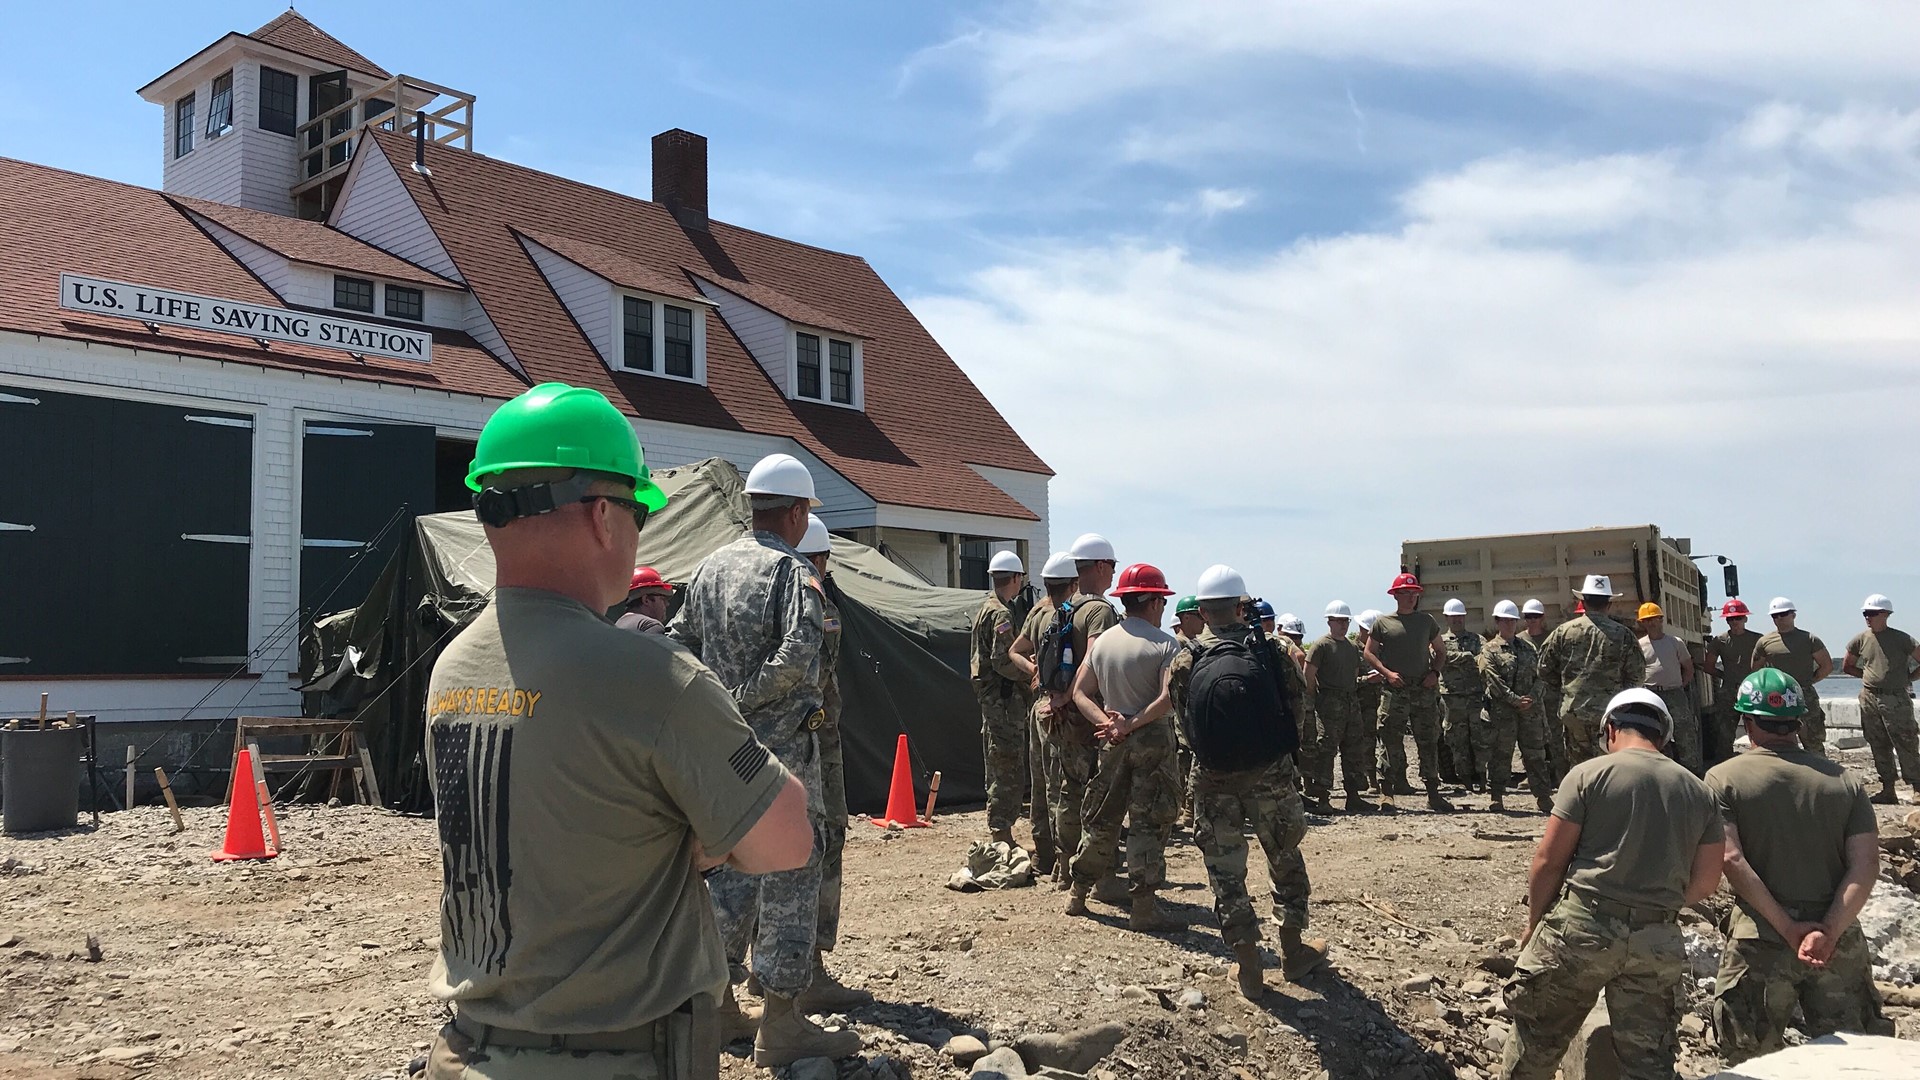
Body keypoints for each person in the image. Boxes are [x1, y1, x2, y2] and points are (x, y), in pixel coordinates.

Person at [423, 383, 811, 1080]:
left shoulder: (453, 667)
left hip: (471, 1046)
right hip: (616, 1054)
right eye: (638, 512)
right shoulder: (649, 674)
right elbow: (786, 838)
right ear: (604, 516)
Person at [669, 453, 861, 1066]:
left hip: (720, 756)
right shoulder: (792, 574)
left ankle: (722, 1006)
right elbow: (797, 660)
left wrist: (713, 709)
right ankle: (781, 1022)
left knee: (724, 867)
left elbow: (677, 645)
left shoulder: (709, 568)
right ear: (799, 513)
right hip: (781, 759)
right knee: (792, 871)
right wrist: (741, 701)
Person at [1499, 689, 1724, 1080]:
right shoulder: (1699, 791)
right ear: (1664, 735)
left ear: (1610, 728)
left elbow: (1549, 862)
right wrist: (1656, 906)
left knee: (1537, 1045)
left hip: (1583, 924)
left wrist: (1535, 922)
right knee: (1649, 1063)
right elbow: (1706, 882)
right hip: (1657, 938)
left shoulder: (1589, 775)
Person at [1706, 669, 1886, 1063]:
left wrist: (1788, 929)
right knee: (1855, 1059)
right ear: (1799, 722)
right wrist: (1829, 931)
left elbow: (1730, 858)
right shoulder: (1844, 780)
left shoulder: (1723, 779)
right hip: (1836, 941)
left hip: (1760, 941)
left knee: (1751, 1061)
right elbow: (1866, 866)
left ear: (1748, 722)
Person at [1170, 565, 1327, 999]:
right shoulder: (1272, 649)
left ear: (1201, 610)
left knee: (1226, 874)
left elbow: (1185, 728)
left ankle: (1249, 967)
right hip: (1271, 775)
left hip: (1213, 780)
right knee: (1285, 858)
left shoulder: (1187, 659)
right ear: (1243, 606)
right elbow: (1297, 709)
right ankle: (1294, 951)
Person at [1066, 563, 1182, 930]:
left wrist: (1107, 723)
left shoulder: (1103, 643)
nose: (1163, 609)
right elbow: (1167, 699)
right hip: (1152, 739)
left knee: (1102, 816)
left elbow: (1079, 693)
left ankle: (1079, 892)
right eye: (1161, 601)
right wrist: (1131, 723)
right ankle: (1144, 908)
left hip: (1111, 741)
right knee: (1149, 821)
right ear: (1151, 602)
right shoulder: (1166, 644)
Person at [794, 515, 870, 1013]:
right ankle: (810, 969)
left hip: (762, 744)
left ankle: (770, 967)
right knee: (823, 842)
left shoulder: (743, 584)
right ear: (820, 559)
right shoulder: (812, 600)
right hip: (815, 742)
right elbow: (817, 676)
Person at [1009, 552, 1077, 877]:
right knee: (1059, 784)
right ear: (1073, 583)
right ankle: (1065, 863)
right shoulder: (1072, 614)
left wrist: (1032, 668)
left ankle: (1044, 855)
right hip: (1060, 708)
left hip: (1038, 707)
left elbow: (1014, 650)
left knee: (1039, 783)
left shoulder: (1036, 612)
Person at [1536, 575, 1646, 768]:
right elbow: (1637, 675)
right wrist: (1620, 698)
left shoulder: (1563, 632)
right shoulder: (1623, 635)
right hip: (1611, 715)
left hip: (1574, 713)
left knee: (1580, 769)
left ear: (1583, 602)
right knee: (1609, 768)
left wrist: (1566, 689)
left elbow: (1544, 669)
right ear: (1608, 604)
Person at [1363, 573, 1451, 812]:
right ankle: (1387, 794)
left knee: (1428, 740)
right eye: (1406, 593)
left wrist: (1435, 672)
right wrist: (1386, 673)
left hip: (1423, 688)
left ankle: (1433, 793)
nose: (1411, 598)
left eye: (1414, 594)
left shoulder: (1427, 622)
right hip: (1395, 689)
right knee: (1390, 740)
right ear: (1396, 595)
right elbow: (1368, 653)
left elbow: (1441, 651)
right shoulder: (1383, 623)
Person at [971, 549, 1033, 847]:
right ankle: (1002, 832)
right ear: (1016, 578)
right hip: (1003, 699)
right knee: (1006, 763)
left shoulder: (987, 607)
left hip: (995, 699)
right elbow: (1002, 660)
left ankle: (1001, 828)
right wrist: (1031, 674)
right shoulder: (1001, 613)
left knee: (998, 760)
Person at [1479, 601, 1556, 814]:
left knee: (1535, 755)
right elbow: (1492, 679)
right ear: (1497, 622)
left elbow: (1541, 676)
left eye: (1512, 620)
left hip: (1530, 713)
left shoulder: (1528, 647)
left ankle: (1543, 797)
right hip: (1503, 713)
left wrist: (1531, 697)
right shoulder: (1489, 649)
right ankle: (1496, 796)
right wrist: (1514, 700)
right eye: (1504, 620)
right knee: (1500, 755)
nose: (1509, 624)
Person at [1844, 594, 1920, 804]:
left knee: (1906, 741)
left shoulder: (1902, 639)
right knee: (1877, 743)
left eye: (1872, 613)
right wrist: (1869, 677)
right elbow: (1848, 665)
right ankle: (1888, 789)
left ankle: (1917, 787)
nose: (1868, 617)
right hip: (1870, 697)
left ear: (1886, 614)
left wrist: (1908, 678)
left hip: (1897, 698)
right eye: (1865, 613)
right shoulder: (1860, 639)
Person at [1306, 601, 1371, 813]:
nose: (1344, 625)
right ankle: (1323, 798)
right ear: (1329, 621)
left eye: (1346, 621)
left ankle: (1354, 796)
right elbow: (1309, 676)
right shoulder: (1321, 646)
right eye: (1339, 621)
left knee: (1354, 748)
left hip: (1350, 701)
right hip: (1329, 702)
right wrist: (1316, 701)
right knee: (1325, 749)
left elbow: (1353, 675)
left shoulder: (1351, 648)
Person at [1751, 597, 1833, 756]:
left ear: (1793, 615)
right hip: (1776, 696)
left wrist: (1809, 682)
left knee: (1812, 738)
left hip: (1804, 694)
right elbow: (1756, 669)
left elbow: (1826, 666)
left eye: (1783, 614)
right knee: (1776, 738)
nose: (1779, 618)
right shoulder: (1765, 641)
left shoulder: (1809, 639)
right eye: (1775, 616)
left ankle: (1821, 773)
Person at [1637, 603, 1699, 774]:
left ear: (1661, 619)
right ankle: (1660, 770)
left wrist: (1680, 685)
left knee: (1684, 732)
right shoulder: (1640, 645)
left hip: (1674, 693)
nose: (1650, 623)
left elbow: (1688, 668)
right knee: (1653, 731)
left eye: (1653, 619)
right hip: (1651, 694)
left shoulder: (1675, 642)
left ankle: (1692, 771)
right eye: (1646, 620)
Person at [1439, 598, 1489, 795]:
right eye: (1453, 616)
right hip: (1452, 700)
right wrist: (1467, 657)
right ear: (1446, 618)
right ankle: (1465, 780)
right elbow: (1438, 658)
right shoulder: (1440, 641)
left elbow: (1485, 659)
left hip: (1475, 698)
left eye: (1460, 616)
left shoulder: (1477, 640)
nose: (1457, 620)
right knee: (1457, 741)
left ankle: (1483, 779)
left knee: (1480, 739)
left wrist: (1453, 659)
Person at [1703, 599, 1761, 766]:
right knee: (1724, 732)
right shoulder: (1719, 641)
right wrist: (1726, 676)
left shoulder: (1757, 640)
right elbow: (1709, 666)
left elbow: (1766, 662)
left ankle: (1760, 762)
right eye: (1731, 619)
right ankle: (1725, 765)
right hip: (1729, 690)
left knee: (1758, 727)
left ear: (1745, 619)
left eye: (1738, 618)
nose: (1735, 622)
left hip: (1753, 690)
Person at [1519, 599, 1566, 784]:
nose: (1532, 620)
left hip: (1550, 696)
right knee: (1531, 739)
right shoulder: (1520, 640)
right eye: (1528, 617)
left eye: (1535, 616)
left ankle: (1559, 775)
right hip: (1530, 696)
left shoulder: (1551, 639)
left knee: (1555, 737)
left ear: (1542, 617)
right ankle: (1534, 776)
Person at [1353, 610, 1385, 795]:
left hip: (1382, 702)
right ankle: (1371, 780)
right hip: (1363, 704)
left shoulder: (1383, 649)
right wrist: (1366, 680)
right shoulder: (1351, 650)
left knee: (1388, 742)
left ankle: (1392, 779)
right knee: (1366, 744)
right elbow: (1346, 681)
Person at [615, 566, 672, 633]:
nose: (667, 604)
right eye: (662, 599)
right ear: (646, 600)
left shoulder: (617, 625)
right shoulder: (649, 625)